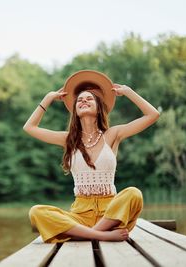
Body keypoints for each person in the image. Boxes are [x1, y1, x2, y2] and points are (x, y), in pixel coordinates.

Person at [22, 70, 160, 243]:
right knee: (37, 211)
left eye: (89, 99)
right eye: (79, 99)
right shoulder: (68, 139)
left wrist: (128, 92)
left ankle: (85, 234)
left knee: (134, 193)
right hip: (80, 216)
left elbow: (153, 115)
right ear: (75, 110)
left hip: (111, 215)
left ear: (99, 106)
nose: (83, 101)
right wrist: (48, 98)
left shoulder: (113, 134)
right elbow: (30, 128)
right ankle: (99, 235)